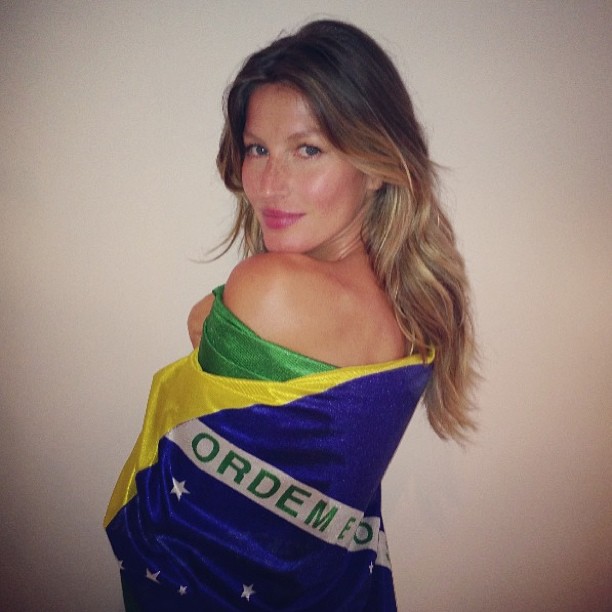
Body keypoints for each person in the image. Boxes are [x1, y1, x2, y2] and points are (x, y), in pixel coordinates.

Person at [105, 19, 477, 611]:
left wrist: (218, 311)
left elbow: (209, 327)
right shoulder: (408, 304)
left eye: (308, 150)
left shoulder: (269, 288)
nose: (269, 183)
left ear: (376, 165)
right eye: (258, 149)